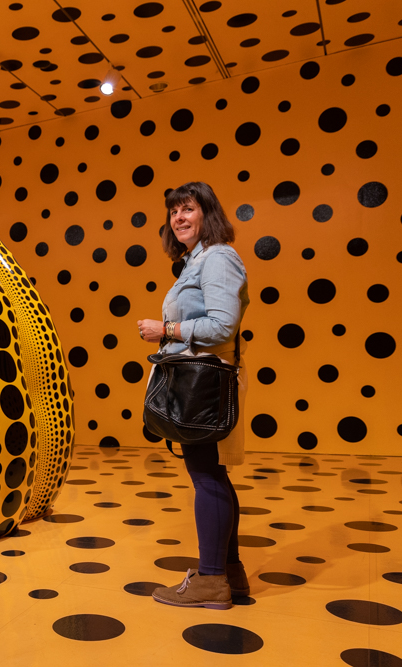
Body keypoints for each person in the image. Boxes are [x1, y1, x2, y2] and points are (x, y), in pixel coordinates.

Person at [136, 182, 250, 610]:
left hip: (204, 385)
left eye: (188, 209)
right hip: (200, 383)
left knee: (206, 476)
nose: (178, 218)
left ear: (208, 214)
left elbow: (222, 325)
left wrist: (164, 330)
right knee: (212, 474)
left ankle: (211, 579)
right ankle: (230, 573)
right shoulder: (195, 261)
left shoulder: (218, 257)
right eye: (173, 212)